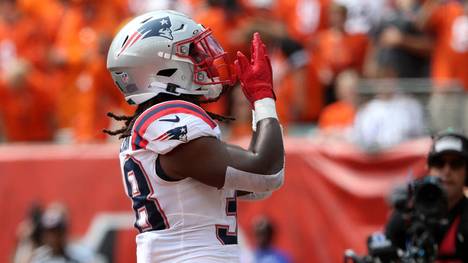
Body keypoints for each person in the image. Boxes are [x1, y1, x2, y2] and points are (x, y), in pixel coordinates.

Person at [105, 10, 284, 262]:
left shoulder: (154, 123)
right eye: (191, 52)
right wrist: (263, 98)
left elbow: (256, 184)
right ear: (164, 68)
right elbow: (266, 173)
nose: (204, 59)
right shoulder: (168, 117)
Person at [385, 131, 468, 262]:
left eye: (456, 164)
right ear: (429, 169)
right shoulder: (407, 212)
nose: (447, 171)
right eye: (439, 163)